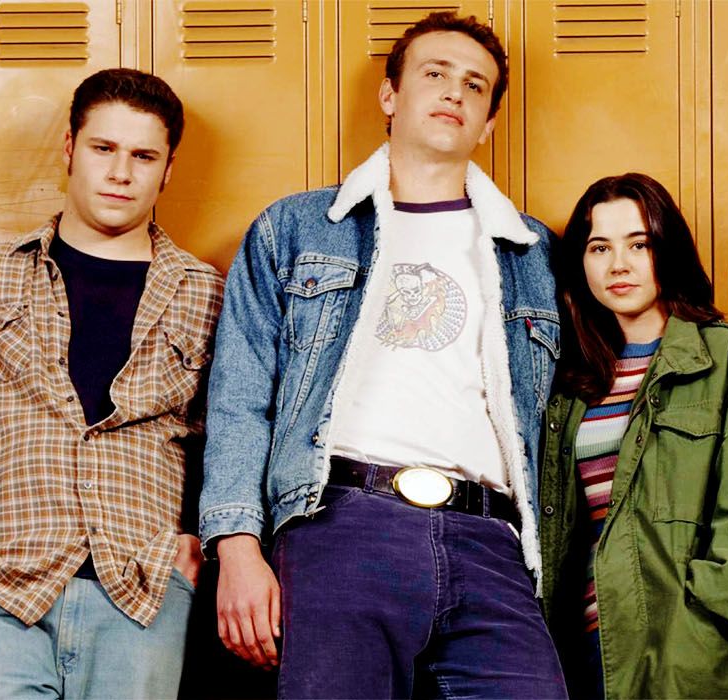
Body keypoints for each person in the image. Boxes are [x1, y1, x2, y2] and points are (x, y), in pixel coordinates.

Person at [197, 11, 567, 698]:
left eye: (475, 86)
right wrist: (237, 547)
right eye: (434, 74)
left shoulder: (534, 254)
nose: (454, 93)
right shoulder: (297, 229)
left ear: (488, 123)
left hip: (491, 541)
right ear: (390, 95)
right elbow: (241, 400)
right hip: (341, 525)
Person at [0, 68, 222, 698]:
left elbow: (234, 441)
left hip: (142, 593)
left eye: (144, 155)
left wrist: (198, 544)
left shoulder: (207, 297)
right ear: (69, 149)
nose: (121, 172)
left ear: (168, 169)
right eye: (104, 149)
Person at [539, 173, 728, 699]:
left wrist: (698, 632)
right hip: (590, 656)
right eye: (600, 247)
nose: (618, 264)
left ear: (667, 250)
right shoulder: (570, 390)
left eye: (638, 245)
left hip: (698, 659)